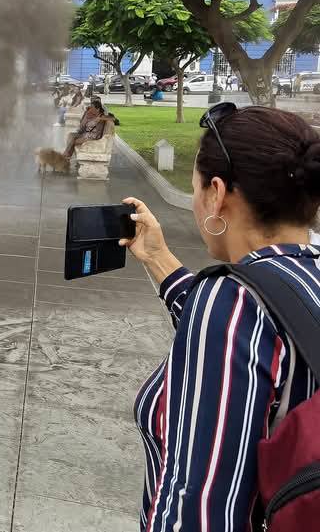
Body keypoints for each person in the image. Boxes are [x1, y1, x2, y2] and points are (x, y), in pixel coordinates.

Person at [121, 103, 320, 531]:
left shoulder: (231, 301)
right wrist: (159, 259)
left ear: (217, 193)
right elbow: (270, 334)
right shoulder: (303, 278)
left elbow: (203, 507)